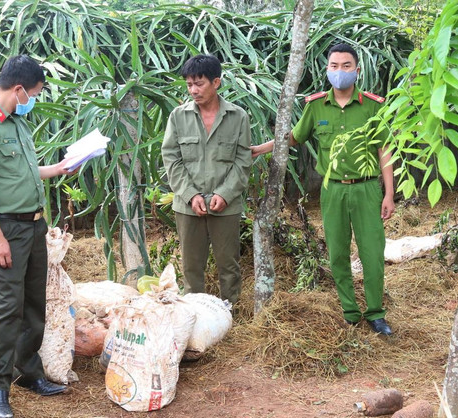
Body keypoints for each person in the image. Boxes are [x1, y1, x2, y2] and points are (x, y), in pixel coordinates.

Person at [0, 55, 76, 418]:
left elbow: (20, 172)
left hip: (33, 226)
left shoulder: (17, 123)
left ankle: (29, 372)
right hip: (6, 229)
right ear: (19, 89)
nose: (34, 100)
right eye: (35, 94)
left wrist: (55, 169)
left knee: (33, 305)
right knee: (9, 309)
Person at [251, 43, 396, 335]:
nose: (339, 71)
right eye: (334, 66)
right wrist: (260, 149)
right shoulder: (316, 106)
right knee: (338, 254)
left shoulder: (372, 105)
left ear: (357, 69)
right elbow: (294, 137)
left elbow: (385, 149)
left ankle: (376, 314)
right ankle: (350, 312)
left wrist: (389, 193)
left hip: (367, 190)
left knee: (372, 253)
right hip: (333, 192)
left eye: (346, 66)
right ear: (326, 69)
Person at [162, 54, 252, 304]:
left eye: (199, 83)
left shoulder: (237, 117)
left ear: (216, 82)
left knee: (228, 264)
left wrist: (225, 194)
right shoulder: (178, 117)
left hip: (226, 205)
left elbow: (243, 160)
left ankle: (230, 311)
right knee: (191, 266)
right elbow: (171, 158)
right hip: (188, 207)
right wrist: (191, 195)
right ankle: (195, 314)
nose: (193, 90)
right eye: (189, 84)